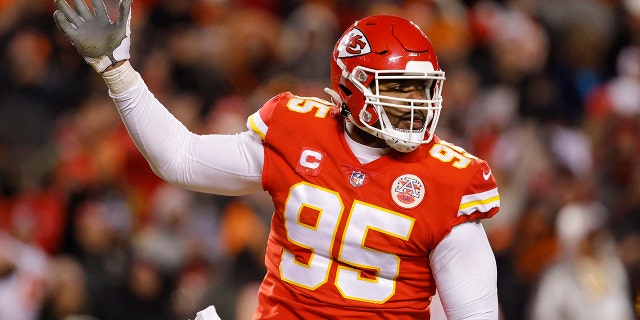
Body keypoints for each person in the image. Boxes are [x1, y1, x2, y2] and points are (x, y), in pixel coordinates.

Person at [52, 0, 501, 319]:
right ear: (350, 85)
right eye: (397, 88)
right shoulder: (296, 130)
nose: (415, 104)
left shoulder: (451, 180)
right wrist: (118, 71)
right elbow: (181, 158)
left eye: (422, 90)